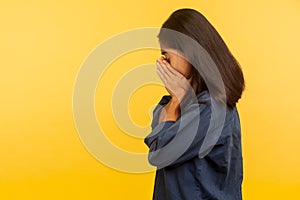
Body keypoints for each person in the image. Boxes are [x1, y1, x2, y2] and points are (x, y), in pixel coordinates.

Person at [144, 8, 245, 200]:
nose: (161, 62)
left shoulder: (211, 109)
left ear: (188, 53)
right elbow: (158, 131)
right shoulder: (191, 105)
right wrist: (176, 101)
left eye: (167, 56)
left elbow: (159, 153)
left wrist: (175, 99)